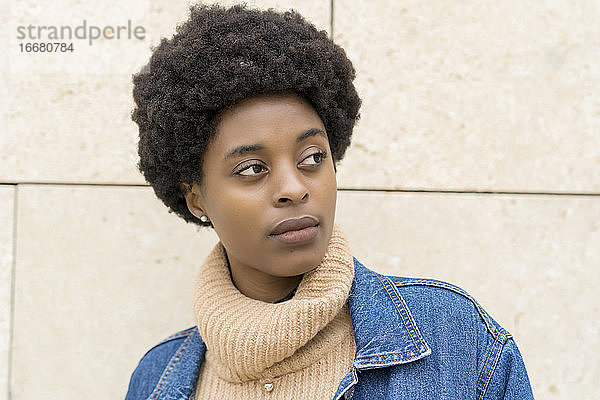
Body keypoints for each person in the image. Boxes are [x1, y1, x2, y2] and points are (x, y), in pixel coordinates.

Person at [125, 4, 534, 399]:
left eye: (312, 158)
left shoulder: (457, 339)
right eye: (252, 168)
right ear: (195, 197)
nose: (295, 188)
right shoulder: (155, 379)